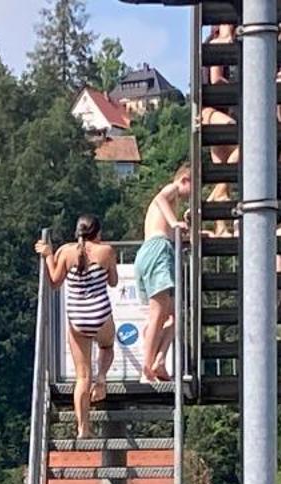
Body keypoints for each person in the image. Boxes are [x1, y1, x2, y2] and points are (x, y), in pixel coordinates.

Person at [37, 215, 118, 439]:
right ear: (98, 233)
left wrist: (48, 256)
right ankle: (101, 379)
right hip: (100, 314)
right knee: (107, 346)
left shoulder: (65, 251)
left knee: (82, 376)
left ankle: (83, 428)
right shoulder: (107, 251)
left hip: (78, 319)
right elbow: (113, 282)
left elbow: (54, 281)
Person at [138, 164, 191, 383]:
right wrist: (174, 222)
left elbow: (175, 233)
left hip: (155, 250)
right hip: (158, 250)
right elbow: (160, 198)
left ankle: (159, 360)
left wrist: (185, 227)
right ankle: (148, 365)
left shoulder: (174, 206)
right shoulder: (172, 189)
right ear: (185, 180)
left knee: (175, 316)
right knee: (159, 315)